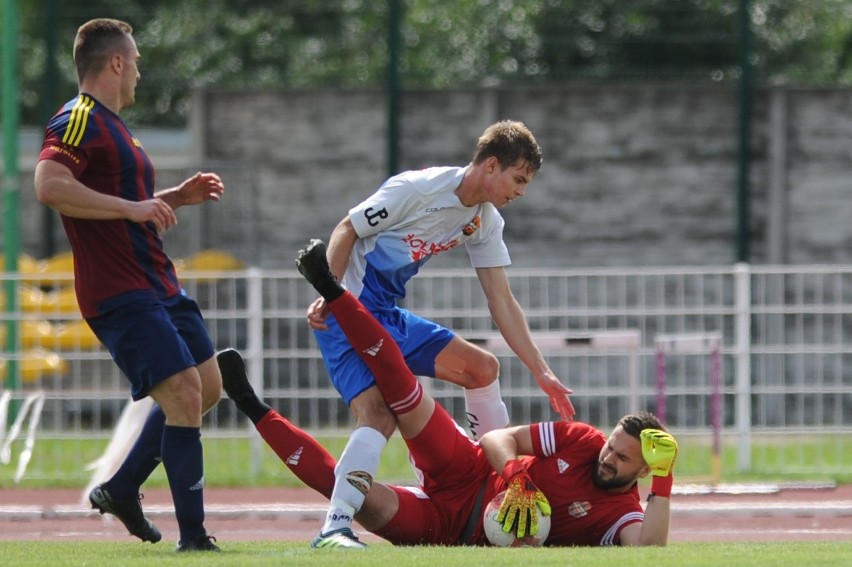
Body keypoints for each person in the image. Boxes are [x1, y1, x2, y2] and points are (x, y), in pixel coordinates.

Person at [215, 239, 677, 548]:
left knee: (354, 493)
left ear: (642, 470)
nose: (608, 456)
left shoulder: (622, 511)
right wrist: (517, 476)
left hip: (449, 527)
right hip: (470, 470)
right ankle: (332, 289)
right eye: (613, 445)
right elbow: (500, 440)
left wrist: (665, 479)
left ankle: (250, 405)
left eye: (620, 459)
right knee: (406, 396)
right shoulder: (583, 440)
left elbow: (651, 548)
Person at [304, 120, 577, 546]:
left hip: (388, 316)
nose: (521, 191)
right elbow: (347, 228)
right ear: (490, 165)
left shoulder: (485, 220)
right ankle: (333, 528)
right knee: (378, 415)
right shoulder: (417, 188)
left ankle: (489, 483)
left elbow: (501, 300)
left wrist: (541, 370)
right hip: (350, 313)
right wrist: (332, 294)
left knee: (482, 369)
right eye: (518, 179)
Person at [34, 18, 223, 552]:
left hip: (158, 281)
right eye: (135, 60)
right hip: (120, 289)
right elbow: (49, 185)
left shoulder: (118, 128)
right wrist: (132, 206)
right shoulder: (76, 119)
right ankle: (195, 541)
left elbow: (123, 203)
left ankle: (121, 488)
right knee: (184, 394)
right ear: (115, 62)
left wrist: (174, 198)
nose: (139, 70)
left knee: (207, 389)